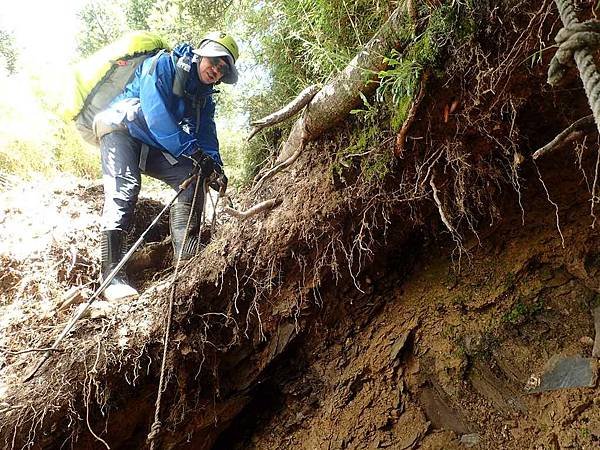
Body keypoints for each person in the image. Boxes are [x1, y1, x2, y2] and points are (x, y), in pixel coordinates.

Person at [94, 31, 239, 302]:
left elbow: (207, 137)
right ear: (200, 54)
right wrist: (193, 152)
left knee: (192, 174)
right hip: (120, 125)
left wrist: (215, 168)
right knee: (125, 187)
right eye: (214, 61)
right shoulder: (162, 65)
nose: (216, 70)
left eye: (222, 68)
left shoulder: (203, 99)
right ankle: (112, 276)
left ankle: (186, 249)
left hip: (150, 141)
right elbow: (157, 115)